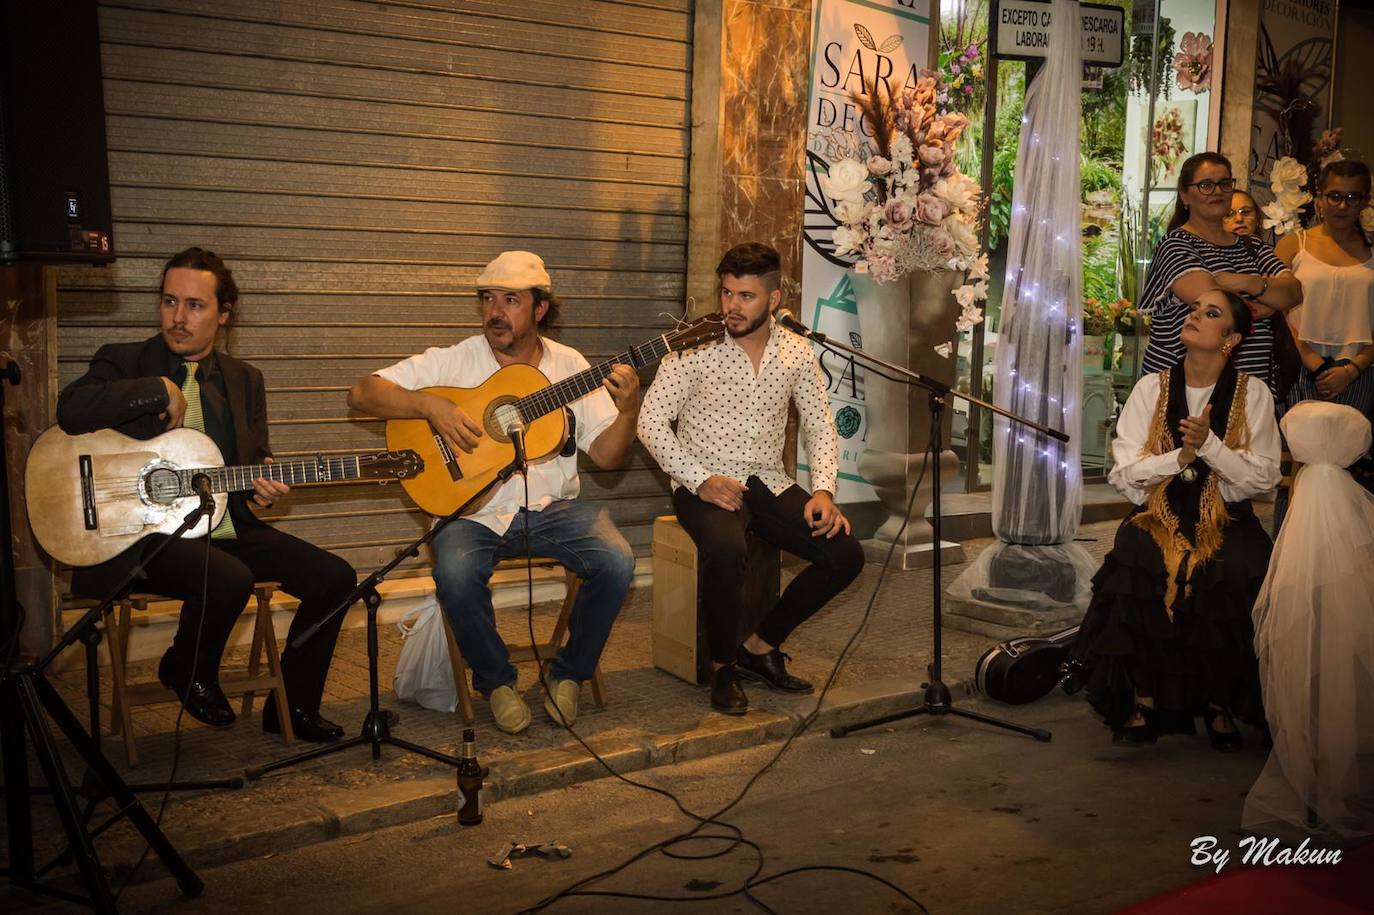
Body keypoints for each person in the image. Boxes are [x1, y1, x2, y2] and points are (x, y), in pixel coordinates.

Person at [57, 248, 357, 742]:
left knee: (335, 577)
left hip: (225, 527)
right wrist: (158, 390)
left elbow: (253, 463)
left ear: (223, 314)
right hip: (140, 535)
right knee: (229, 578)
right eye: (169, 301)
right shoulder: (125, 358)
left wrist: (263, 490)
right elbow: (72, 410)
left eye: (195, 306)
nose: (178, 317)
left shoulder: (245, 380)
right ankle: (186, 668)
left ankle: (292, 708)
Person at [347, 251, 638, 734]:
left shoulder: (571, 367)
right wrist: (429, 407)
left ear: (540, 309)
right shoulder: (455, 361)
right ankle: (496, 681)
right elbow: (362, 393)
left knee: (617, 560)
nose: (495, 311)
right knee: (456, 573)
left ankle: (568, 676)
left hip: (551, 510)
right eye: (487, 298)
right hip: (470, 515)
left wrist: (628, 411)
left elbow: (607, 458)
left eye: (510, 299)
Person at [637, 243, 864, 715]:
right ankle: (723, 669)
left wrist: (823, 489)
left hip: (767, 480)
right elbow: (651, 423)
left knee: (845, 555)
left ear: (774, 299)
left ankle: (759, 648)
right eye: (726, 293)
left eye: (746, 296)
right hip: (705, 480)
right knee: (726, 549)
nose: (732, 306)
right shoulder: (692, 347)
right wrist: (700, 480)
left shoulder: (797, 352)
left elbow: (820, 425)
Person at [1069, 292, 1281, 749]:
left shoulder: (1255, 393)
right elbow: (1125, 477)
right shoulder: (1151, 388)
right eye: (1194, 308)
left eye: (1211, 313)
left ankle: (1219, 702)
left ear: (1231, 338)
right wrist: (1179, 456)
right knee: (1135, 558)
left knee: (1236, 569)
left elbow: (1262, 478)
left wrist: (1211, 448)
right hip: (1157, 513)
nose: (1194, 315)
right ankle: (1146, 700)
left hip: (1226, 516)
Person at [1244, 401, 1374, 841]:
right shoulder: (1353, 506)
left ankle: (1319, 768)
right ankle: (1330, 764)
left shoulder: (1313, 499)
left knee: (1313, 632)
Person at [1139, 152, 1303, 397]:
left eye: (1224, 183)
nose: (1217, 191)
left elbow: (1293, 292)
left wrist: (1246, 281)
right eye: (1205, 185)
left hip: (1248, 390)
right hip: (1182, 393)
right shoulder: (1176, 244)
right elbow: (1212, 302)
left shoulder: (1253, 246)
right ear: (1185, 195)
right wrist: (1268, 303)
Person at [1275, 160, 1374, 434]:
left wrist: (1353, 370)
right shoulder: (1294, 244)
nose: (1343, 206)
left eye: (1353, 197)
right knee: (1297, 453)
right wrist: (1310, 361)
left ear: (1366, 201)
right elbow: (1273, 308)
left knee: (1343, 458)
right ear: (1320, 199)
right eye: (1335, 196)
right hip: (1299, 366)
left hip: (1358, 371)